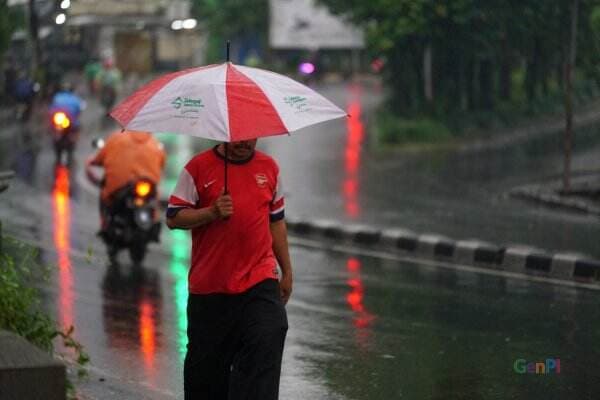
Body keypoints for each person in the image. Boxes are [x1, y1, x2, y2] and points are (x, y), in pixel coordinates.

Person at [166, 139, 293, 400]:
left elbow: (276, 222)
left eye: (251, 136)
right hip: (210, 288)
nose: (245, 142)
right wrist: (211, 212)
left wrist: (286, 270)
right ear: (224, 132)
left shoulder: (269, 168)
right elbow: (174, 216)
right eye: (239, 136)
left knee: (271, 331)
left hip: (259, 277)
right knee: (206, 379)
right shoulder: (197, 168)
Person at [85, 130, 166, 230]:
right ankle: (153, 221)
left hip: (117, 188)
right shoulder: (155, 144)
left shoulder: (116, 138)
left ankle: (105, 224)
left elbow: (99, 158)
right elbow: (162, 163)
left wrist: (90, 161)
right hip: (147, 187)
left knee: (106, 196)